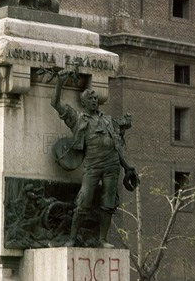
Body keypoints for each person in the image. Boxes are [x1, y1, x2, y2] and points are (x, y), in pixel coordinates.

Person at [51, 72, 137, 248]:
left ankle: (102, 240)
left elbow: (116, 145)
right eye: (90, 98)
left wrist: (127, 167)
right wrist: (60, 83)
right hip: (93, 165)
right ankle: (72, 238)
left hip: (112, 165)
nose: (93, 101)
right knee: (84, 201)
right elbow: (56, 104)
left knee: (108, 203)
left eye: (95, 98)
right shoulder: (78, 118)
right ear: (83, 103)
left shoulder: (107, 120)